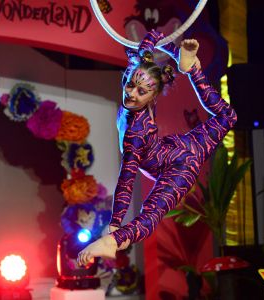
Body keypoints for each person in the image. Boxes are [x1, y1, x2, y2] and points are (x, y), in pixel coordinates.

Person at [77, 30, 237, 266]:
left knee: (151, 214)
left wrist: (115, 224)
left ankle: (112, 241)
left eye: (141, 92)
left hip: (181, 165)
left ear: (153, 98)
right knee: (228, 116)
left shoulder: (137, 133)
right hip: (173, 149)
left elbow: (127, 179)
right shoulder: (135, 80)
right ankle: (190, 67)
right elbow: (151, 37)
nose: (131, 93)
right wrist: (159, 48)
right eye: (131, 86)